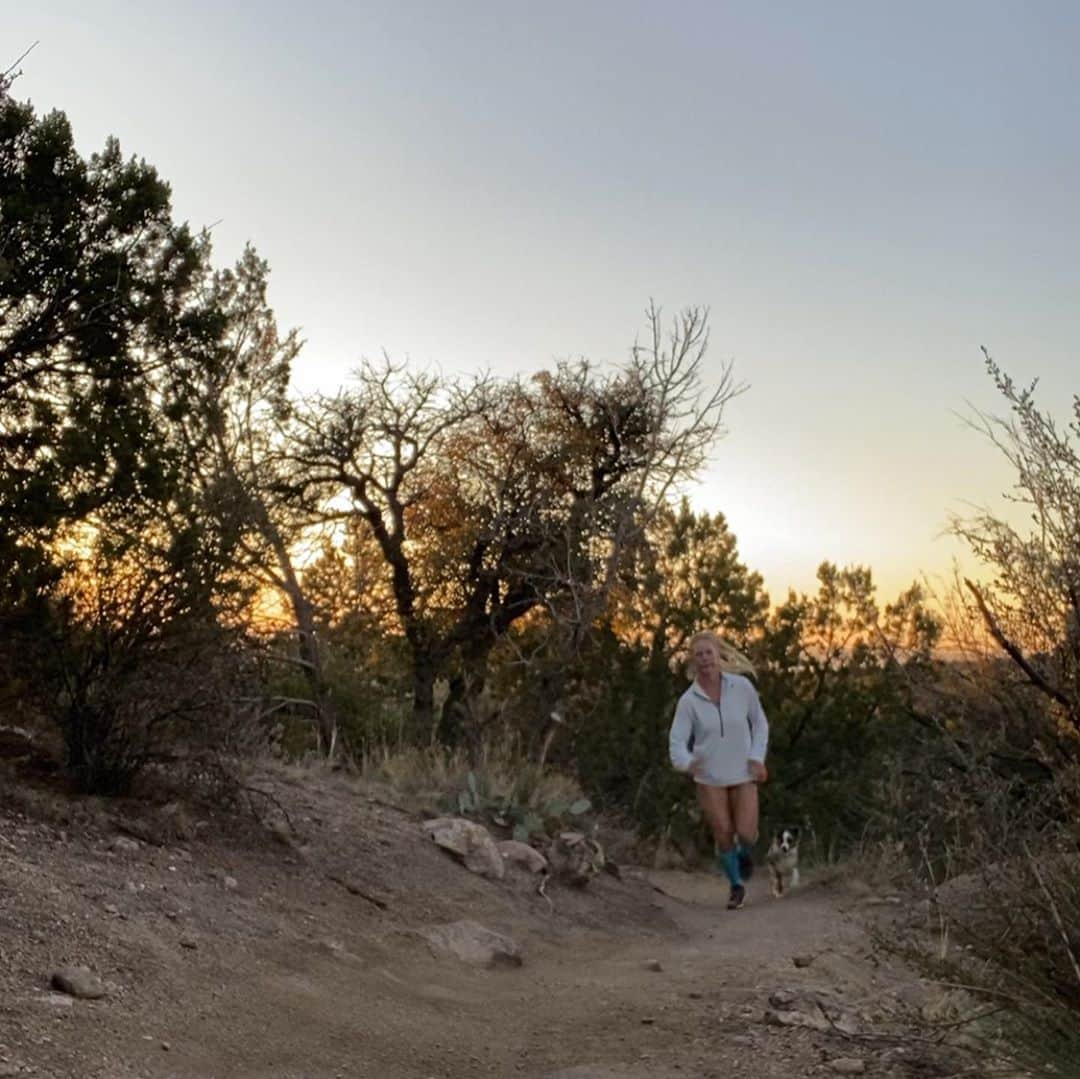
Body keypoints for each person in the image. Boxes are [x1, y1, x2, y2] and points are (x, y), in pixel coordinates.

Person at [668, 630, 769, 910]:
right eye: (698, 655)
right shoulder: (688, 702)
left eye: (708, 653)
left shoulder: (742, 688)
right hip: (710, 776)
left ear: (718, 655)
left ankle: (745, 852)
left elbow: (760, 723)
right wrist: (687, 763)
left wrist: (757, 757)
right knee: (723, 831)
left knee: (746, 832)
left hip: (744, 771)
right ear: (692, 661)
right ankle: (736, 886)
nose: (704, 659)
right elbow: (676, 741)